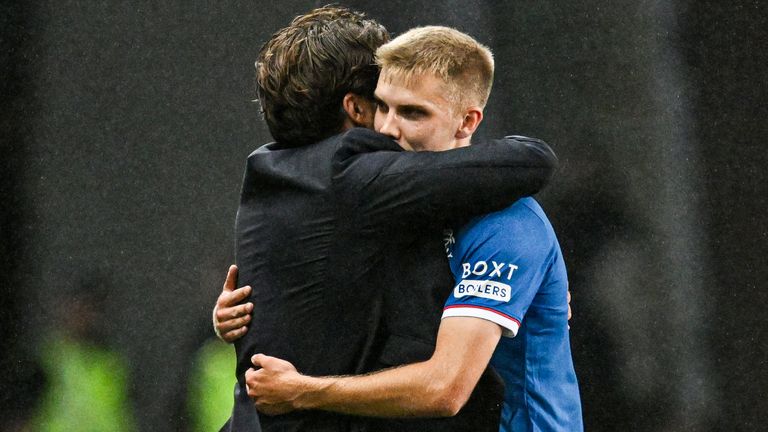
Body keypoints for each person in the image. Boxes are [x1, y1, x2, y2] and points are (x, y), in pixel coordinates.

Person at [218, 6, 558, 432]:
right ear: (357, 109)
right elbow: (529, 162)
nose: (392, 129)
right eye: (382, 104)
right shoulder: (356, 177)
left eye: (412, 111)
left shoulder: (268, 170)